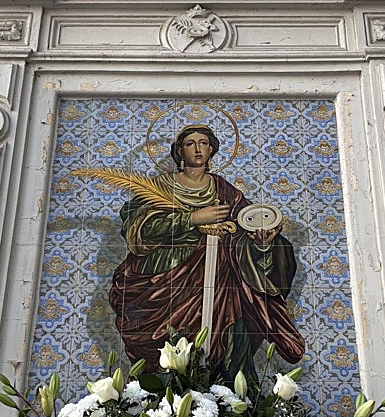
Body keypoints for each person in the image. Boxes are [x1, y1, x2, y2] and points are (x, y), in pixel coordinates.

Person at [109, 125, 304, 382]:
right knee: (168, 346)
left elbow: (246, 229)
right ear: (180, 151)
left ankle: (224, 390)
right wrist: (192, 219)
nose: (198, 149)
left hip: (220, 281)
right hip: (168, 279)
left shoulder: (225, 191)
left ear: (212, 149)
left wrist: (263, 240)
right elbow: (138, 230)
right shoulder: (160, 186)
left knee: (227, 340)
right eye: (191, 143)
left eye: (204, 143)